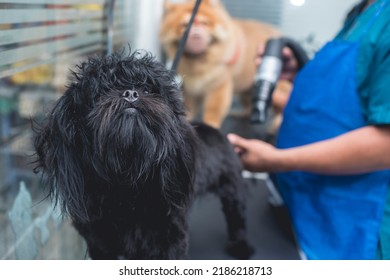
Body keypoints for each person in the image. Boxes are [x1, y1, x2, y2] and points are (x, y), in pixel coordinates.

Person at [228, 0, 390, 259]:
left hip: (355, 222)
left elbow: (385, 145)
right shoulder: (362, 13)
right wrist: (301, 71)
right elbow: (354, 94)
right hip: (307, 207)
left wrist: (277, 160)